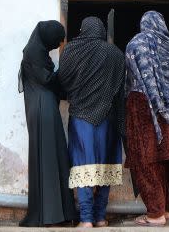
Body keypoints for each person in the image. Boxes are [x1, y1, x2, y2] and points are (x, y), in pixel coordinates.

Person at [58, 17, 128, 228]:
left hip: (82, 118)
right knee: (106, 165)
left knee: (83, 165)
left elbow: (63, 80)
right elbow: (120, 89)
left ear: (82, 29)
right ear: (102, 31)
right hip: (109, 119)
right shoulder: (115, 54)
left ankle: (86, 219)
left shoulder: (72, 50)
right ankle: (100, 217)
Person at [124, 11, 169, 227]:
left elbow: (133, 75)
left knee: (147, 158)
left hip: (145, 105)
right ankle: (167, 209)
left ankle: (155, 214)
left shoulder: (138, 42)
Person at [18, 20, 76, 227]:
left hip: (42, 107)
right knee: (49, 159)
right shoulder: (35, 53)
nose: (58, 43)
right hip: (43, 109)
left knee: (51, 157)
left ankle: (56, 212)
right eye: (57, 38)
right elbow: (49, 80)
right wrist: (69, 69)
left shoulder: (36, 51)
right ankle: (52, 214)